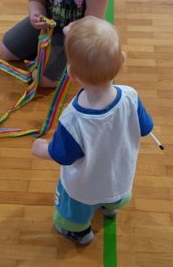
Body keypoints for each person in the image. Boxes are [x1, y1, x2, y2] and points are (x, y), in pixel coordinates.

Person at [31, 16, 154, 245]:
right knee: (112, 198)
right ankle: (109, 208)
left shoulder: (73, 118)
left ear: (71, 74)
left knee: (72, 207)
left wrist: (42, 148)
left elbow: (63, 155)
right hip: (119, 180)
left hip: (84, 188)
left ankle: (77, 232)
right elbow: (146, 128)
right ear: (122, 61)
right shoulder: (130, 96)